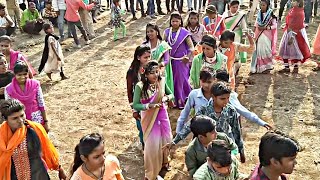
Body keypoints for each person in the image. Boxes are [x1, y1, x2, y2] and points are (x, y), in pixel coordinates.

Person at [0, 99, 67, 179]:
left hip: (38, 176)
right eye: (15, 118)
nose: (20, 120)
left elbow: (48, 151)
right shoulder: (1, 137)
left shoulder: (35, 129)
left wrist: (59, 168)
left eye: (22, 115)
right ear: (5, 119)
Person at [132, 60, 174, 180]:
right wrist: (148, 106)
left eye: (157, 71)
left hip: (162, 114)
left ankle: (165, 161)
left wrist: (166, 98)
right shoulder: (140, 86)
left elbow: (171, 94)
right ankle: (150, 172)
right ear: (145, 74)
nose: (155, 75)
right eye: (152, 73)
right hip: (149, 118)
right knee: (152, 144)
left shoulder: (161, 81)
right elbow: (136, 105)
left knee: (166, 138)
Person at [5, 61, 50, 132]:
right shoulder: (8, 89)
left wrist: (46, 121)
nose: (22, 77)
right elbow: (9, 110)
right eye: (19, 75)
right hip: (19, 122)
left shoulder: (35, 84)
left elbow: (41, 103)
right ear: (14, 74)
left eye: (25, 74)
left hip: (36, 120)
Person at [163, 12, 194, 109]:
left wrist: (187, 57)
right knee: (170, 81)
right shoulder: (167, 32)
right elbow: (163, 46)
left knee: (181, 81)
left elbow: (191, 48)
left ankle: (182, 100)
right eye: (173, 21)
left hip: (181, 61)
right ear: (170, 22)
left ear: (180, 21)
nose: (175, 23)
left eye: (177, 21)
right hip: (170, 61)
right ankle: (172, 101)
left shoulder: (185, 33)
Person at [126, 45, 151, 150]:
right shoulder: (132, 72)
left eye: (149, 57)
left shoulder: (151, 68)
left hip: (151, 103)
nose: (148, 59)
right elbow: (129, 92)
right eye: (145, 57)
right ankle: (145, 147)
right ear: (138, 57)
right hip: (139, 105)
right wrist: (134, 109)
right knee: (142, 128)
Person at [176, 68, 215, 133]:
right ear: (200, 80)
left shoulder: (219, 95)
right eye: (203, 81)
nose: (206, 85)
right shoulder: (194, 94)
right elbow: (185, 113)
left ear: (214, 80)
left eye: (209, 82)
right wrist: (178, 131)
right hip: (199, 132)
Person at [278, 0, 311, 73]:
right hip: (290, 31)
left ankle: (293, 66)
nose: (292, 2)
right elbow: (290, 20)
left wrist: (292, 36)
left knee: (292, 50)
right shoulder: (294, 10)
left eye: (294, 1)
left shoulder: (299, 12)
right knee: (289, 49)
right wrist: (286, 25)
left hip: (294, 34)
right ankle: (289, 66)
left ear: (298, 3)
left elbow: (298, 25)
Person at [143, 23, 173, 93]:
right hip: (147, 72)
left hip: (159, 72)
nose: (149, 33)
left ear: (157, 32)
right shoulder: (144, 45)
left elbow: (167, 60)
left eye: (151, 31)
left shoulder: (163, 45)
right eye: (147, 32)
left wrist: (158, 65)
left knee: (161, 92)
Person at [250, 0, 277, 74]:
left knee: (266, 50)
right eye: (261, 5)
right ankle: (258, 66)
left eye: (264, 5)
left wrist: (266, 28)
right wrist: (254, 29)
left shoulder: (271, 14)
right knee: (258, 50)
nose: (262, 7)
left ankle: (267, 66)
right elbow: (256, 23)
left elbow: (274, 26)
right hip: (258, 34)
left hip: (267, 35)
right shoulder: (259, 13)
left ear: (267, 5)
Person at [223, 0, 248, 69]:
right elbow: (222, 25)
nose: (235, 9)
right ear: (229, 6)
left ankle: (235, 64)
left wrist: (243, 35)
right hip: (226, 34)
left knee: (235, 49)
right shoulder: (225, 14)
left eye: (237, 7)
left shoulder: (240, 15)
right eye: (233, 7)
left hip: (237, 34)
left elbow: (244, 26)